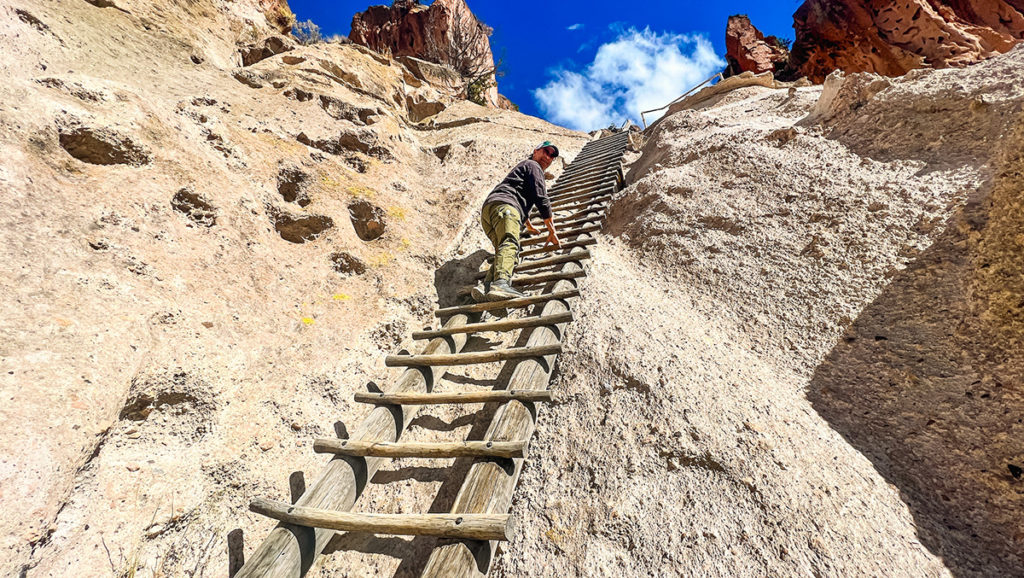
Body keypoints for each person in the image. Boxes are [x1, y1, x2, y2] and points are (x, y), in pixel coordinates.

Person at [472, 141, 561, 302]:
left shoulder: (525, 168)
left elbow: (520, 196)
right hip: (505, 207)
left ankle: (485, 288)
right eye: (545, 152)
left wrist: (528, 225)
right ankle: (500, 284)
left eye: (552, 156)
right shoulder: (533, 166)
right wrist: (551, 230)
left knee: (505, 250)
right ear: (535, 151)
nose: (548, 157)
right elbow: (541, 198)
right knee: (510, 243)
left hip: (492, 211)